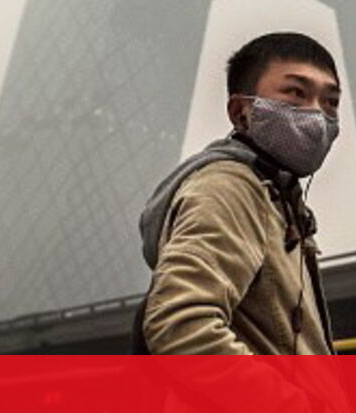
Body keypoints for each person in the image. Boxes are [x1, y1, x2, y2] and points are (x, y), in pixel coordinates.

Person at [137, 32, 343, 356]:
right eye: (295, 93)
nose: (318, 116)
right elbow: (180, 323)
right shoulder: (228, 188)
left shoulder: (279, 199)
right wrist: (286, 393)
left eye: (331, 102)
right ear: (240, 112)